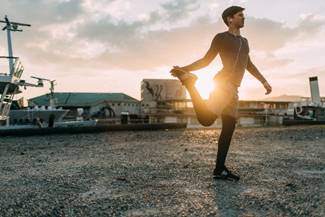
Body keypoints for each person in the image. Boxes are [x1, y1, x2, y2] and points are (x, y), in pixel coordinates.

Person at [170, 6, 272, 181]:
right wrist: (183, 69)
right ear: (230, 19)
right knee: (207, 119)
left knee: (229, 126)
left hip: (234, 89)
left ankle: (219, 169)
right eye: (241, 16)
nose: (244, 18)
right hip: (223, 84)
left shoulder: (245, 41)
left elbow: (248, 64)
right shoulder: (221, 38)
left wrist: (263, 80)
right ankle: (190, 84)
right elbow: (206, 60)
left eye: (243, 15)